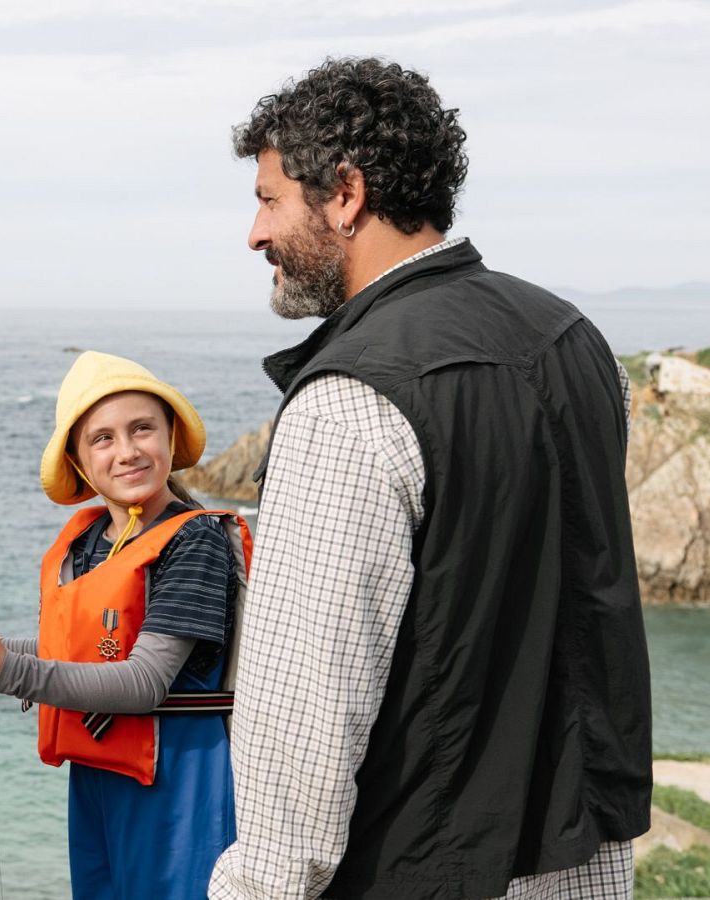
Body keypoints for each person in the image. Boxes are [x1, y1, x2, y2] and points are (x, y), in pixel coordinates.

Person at [208, 58, 652, 900]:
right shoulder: (577, 343)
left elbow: (303, 719)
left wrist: (255, 885)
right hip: (584, 864)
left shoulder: (349, 402)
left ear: (344, 194)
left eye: (269, 199)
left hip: (420, 872)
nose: (255, 234)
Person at [0, 351, 250, 899]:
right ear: (77, 459)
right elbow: (70, 650)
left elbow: (143, 682)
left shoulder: (194, 541)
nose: (128, 451)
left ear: (170, 436)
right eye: (103, 438)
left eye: (143, 429)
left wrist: (4, 672)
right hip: (98, 776)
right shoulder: (87, 541)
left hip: (179, 781)